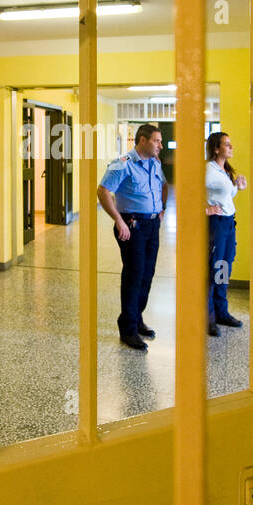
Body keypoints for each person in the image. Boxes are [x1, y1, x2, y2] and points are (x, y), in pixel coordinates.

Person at [97, 124, 168, 350]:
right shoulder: (123, 164)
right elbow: (103, 191)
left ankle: (136, 318)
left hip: (151, 224)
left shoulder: (154, 163)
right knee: (134, 274)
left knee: (147, 274)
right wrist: (117, 219)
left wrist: (161, 208)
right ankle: (127, 328)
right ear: (143, 140)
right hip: (131, 224)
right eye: (156, 141)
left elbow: (163, 185)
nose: (161, 145)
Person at [204, 131, 246, 337]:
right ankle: (208, 319)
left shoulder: (223, 170)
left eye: (231, 144)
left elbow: (225, 196)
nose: (231, 147)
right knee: (213, 270)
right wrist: (205, 209)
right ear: (216, 148)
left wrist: (237, 187)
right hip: (216, 225)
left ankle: (221, 312)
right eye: (227, 145)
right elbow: (190, 194)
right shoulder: (208, 170)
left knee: (223, 268)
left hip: (229, 224)